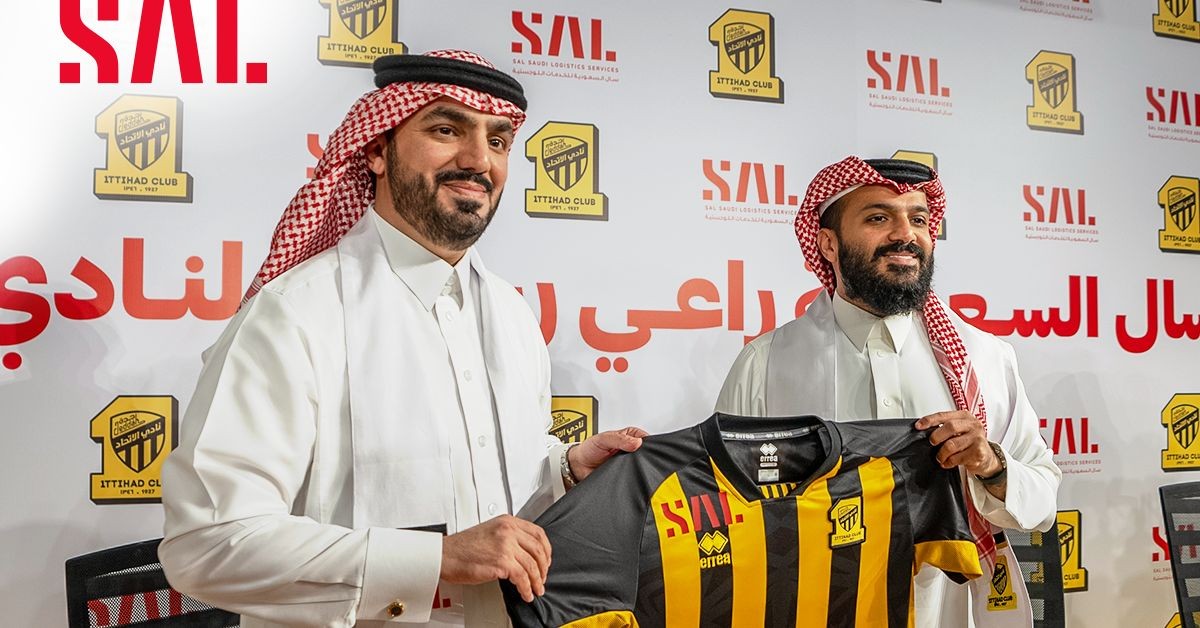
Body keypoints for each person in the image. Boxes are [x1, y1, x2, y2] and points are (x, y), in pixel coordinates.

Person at [158, 50, 644, 628]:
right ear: (375, 149)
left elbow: (485, 483)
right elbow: (207, 545)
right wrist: (435, 560)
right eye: (446, 130)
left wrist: (562, 469)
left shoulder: (512, 314)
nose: (478, 161)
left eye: (497, 141)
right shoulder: (294, 315)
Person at [715, 156, 1060, 627]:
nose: (905, 234)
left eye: (918, 219)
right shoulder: (766, 364)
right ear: (828, 243)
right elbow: (721, 508)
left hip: (946, 611)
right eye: (878, 218)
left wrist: (991, 465)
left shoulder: (983, 359)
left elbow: (1041, 500)